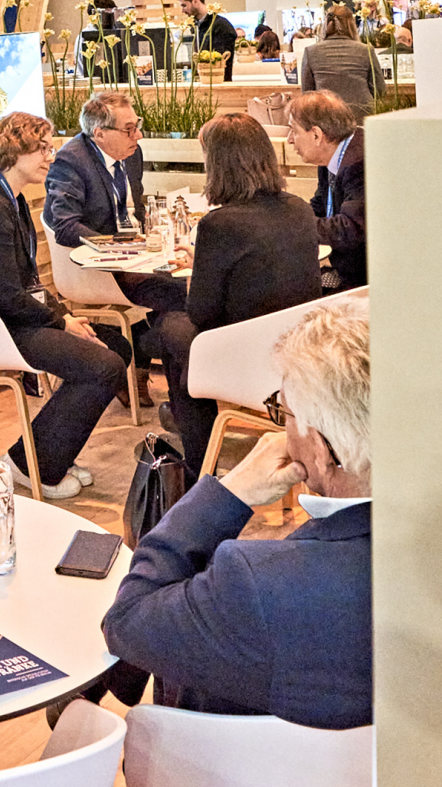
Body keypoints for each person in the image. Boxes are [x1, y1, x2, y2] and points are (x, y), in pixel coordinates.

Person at [101, 295, 373, 730]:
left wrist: (228, 494)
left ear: (320, 450)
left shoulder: (258, 583)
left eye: (283, 411)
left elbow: (126, 622)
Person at [0, 111, 129, 499]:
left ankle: (49, 450)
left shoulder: (10, 200)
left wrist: (65, 316)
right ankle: (32, 466)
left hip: (11, 318)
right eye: (42, 149)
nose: (51, 156)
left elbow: (27, 286)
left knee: (117, 346)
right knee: (104, 365)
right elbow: (9, 295)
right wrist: (61, 323)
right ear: (15, 151)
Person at [165, 113, 321, 480]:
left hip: (252, 359)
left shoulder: (219, 224)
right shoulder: (299, 208)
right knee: (182, 343)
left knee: (171, 330)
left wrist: (199, 270)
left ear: (217, 165)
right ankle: (188, 426)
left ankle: (198, 464)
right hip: (298, 349)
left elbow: (202, 313)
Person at [42, 91, 195, 411]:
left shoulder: (131, 154)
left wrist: (153, 238)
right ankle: (177, 398)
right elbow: (66, 227)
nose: (138, 135)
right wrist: (122, 247)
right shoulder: (70, 162)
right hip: (95, 265)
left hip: (136, 254)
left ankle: (150, 372)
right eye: (129, 129)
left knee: (191, 282)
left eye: (137, 125)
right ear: (99, 133)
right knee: (178, 295)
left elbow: (134, 209)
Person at [287, 91, 366, 291]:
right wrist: (287, 216)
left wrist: (291, 226)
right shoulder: (332, 155)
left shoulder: (359, 163)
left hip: (365, 281)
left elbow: (350, 229)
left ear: (316, 135)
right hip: (346, 270)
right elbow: (320, 205)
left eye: (293, 131)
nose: (289, 140)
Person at [298, 4, 383, 115]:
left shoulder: (311, 51)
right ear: (351, 25)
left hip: (326, 115)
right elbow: (380, 89)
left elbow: (307, 94)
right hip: (362, 115)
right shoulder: (366, 50)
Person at [176, 0, 236, 82]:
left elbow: (219, 60)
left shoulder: (221, 26)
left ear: (195, 1)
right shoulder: (195, 26)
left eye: (184, 5)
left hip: (217, 83)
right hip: (202, 82)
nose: (183, 11)